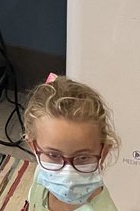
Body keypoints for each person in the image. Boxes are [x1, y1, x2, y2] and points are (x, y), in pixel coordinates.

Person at [22, 75, 119, 211]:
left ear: (103, 152)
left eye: (82, 158)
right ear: (33, 146)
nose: (67, 174)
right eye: (53, 155)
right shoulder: (42, 175)